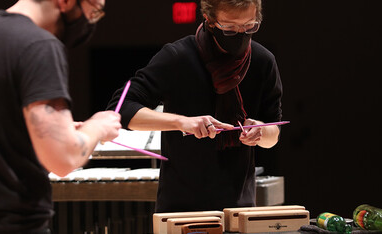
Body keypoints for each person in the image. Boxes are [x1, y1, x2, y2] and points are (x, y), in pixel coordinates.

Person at [107, 0, 282, 213]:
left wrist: (261, 131)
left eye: (249, 26)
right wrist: (183, 122)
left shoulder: (263, 61)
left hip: (239, 207)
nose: (240, 34)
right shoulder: (178, 57)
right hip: (180, 208)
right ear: (209, 20)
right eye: (229, 28)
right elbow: (120, 108)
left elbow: (274, 133)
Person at [0, 0, 121, 232]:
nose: (90, 22)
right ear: (65, 1)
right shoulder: (39, 45)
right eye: (93, 11)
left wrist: (58, 130)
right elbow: (63, 158)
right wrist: (98, 126)